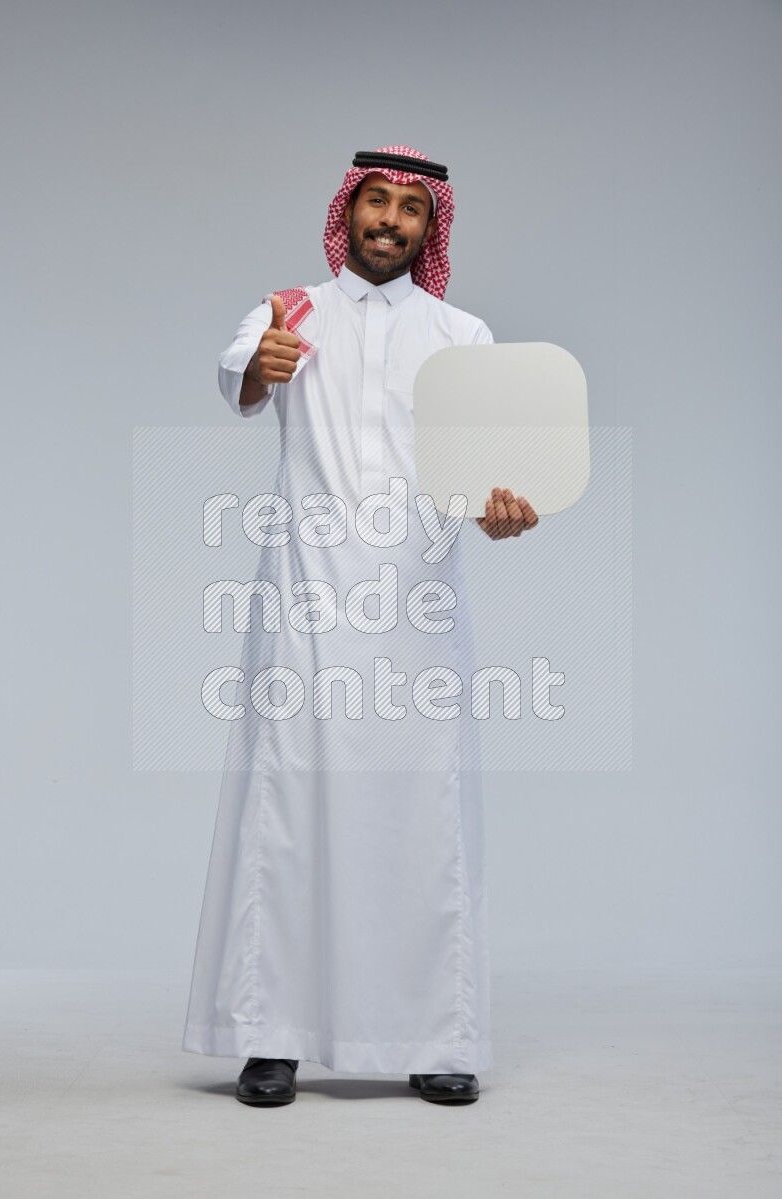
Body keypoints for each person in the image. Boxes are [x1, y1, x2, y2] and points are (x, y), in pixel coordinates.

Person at [182, 145, 538, 1107]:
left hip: (418, 606)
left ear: (431, 228)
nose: (388, 221)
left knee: (422, 815)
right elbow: (243, 380)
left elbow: (491, 479)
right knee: (290, 811)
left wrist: (506, 509)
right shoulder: (289, 309)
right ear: (349, 211)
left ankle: (435, 1035)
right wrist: (261, 364)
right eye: (373, 202)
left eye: (408, 210)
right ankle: (270, 1034)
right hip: (304, 601)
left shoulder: (464, 335)